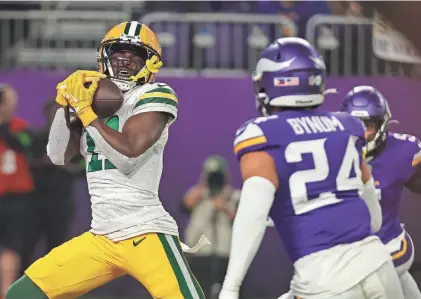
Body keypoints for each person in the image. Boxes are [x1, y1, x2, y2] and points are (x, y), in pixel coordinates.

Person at [6, 21, 205, 299]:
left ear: (151, 63)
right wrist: (66, 106)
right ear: (104, 58)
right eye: (118, 53)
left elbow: (127, 154)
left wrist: (87, 115)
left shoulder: (154, 94)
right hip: (101, 236)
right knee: (22, 294)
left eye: (135, 54)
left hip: (144, 231)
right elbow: (58, 155)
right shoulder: (92, 101)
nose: (125, 59)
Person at [218, 37, 404, 299]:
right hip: (380, 266)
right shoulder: (347, 127)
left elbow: (253, 216)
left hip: (325, 280)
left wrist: (230, 287)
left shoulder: (262, 134)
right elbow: (374, 219)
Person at [339, 86, 421, 299]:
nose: (362, 132)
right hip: (343, 256)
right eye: (355, 124)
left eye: (369, 125)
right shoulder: (328, 151)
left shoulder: (402, 152)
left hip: (388, 247)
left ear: (382, 125)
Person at [183, 155, 240, 298]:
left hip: (224, 255)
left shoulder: (233, 196)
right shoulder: (198, 194)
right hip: (200, 254)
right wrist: (203, 187)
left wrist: (224, 207)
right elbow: (185, 204)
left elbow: (241, 220)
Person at [0, 84, 35, 299]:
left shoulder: (20, 128)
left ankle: (5, 292)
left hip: (15, 198)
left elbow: (26, 145)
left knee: (12, 246)